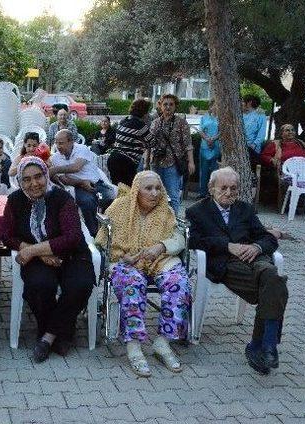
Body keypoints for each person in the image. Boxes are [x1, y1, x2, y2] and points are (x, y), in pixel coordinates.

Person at [186, 167, 287, 375]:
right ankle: (263, 345)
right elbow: (194, 241)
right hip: (225, 264)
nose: (229, 192)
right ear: (211, 188)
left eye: (234, 188)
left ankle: (262, 346)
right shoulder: (197, 211)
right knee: (275, 285)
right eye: (223, 188)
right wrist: (227, 246)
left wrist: (256, 247)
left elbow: (267, 237)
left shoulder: (245, 209)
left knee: (273, 278)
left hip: (254, 260)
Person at [96, 171, 191, 377]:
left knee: (180, 282)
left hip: (159, 259)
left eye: (158, 188)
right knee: (132, 283)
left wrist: (160, 246)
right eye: (148, 188)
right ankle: (134, 347)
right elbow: (102, 239)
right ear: (137, 190)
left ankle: (163, 343)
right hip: (125, 260)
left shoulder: (165, 211)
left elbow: (178, 238)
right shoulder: (120, 207)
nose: (155, 193)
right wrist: (122, 257)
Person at [2, 157, 94, 362]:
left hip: (72, 254)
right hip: (37, 258)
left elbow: (72, 237)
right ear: (19, 181)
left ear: (46, 175)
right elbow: (7, 236)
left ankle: (48, 336)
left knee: (80, 284)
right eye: (26, 179)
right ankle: (62, 331)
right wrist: (36, 252)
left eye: (38, 177)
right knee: (40, 285)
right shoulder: (15, 200)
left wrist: (34, 250)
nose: (33, 183)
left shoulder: (62, 198)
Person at [49, 129, 116, 236]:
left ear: (71, 141)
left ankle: (112, 231)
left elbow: (76, 167)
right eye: (56, 143)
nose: (58, 146)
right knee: (87, 202)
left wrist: (55, 169)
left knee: (111, 199)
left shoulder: (82, 149)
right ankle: (94, 234)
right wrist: (81, 183)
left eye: (61, 143)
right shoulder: (55, 158)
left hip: (97, 183)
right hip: (79, 186)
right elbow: (63, 179)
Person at [148, 94, 195, 215]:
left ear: (175, 106)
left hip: (173, 163)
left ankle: (174, 223)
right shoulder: (155, 123)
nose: (168, 107)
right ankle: (158, 220)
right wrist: (146, 162)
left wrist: (191, 162)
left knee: (173, 195)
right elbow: (148, 143)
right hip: (156, 163)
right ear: (160, 106)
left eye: (171, 104)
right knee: (155, 194)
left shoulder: (181, 123)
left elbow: (188, 144)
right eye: (165, 104)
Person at [107, 99, 153, 186]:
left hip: (113, 158)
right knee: (129, 191)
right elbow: (152, 142)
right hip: (126, 162)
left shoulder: (123, 120)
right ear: (144, 112)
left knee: (118, 190)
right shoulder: (140, 125)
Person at [198, 100, 222, 198]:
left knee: (214, 170)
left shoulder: (221, 118)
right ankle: (202, 192)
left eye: (218, 105)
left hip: (216, 146)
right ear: (211, 106)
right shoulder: (204, 117)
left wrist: (213, 139)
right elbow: (200, 130)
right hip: (204, 146)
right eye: (214, 105)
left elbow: (222, 131)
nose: (216, 107)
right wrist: (207, 139)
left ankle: (212, 193)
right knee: (203, 170)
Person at [242, 94, 267, 163]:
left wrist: (253, 145)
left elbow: (262, 133)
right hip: (239, 148)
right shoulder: (240, 114)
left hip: (252, 150)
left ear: (249, 103)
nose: (241, 103)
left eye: (243, 101)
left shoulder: (260, 115)